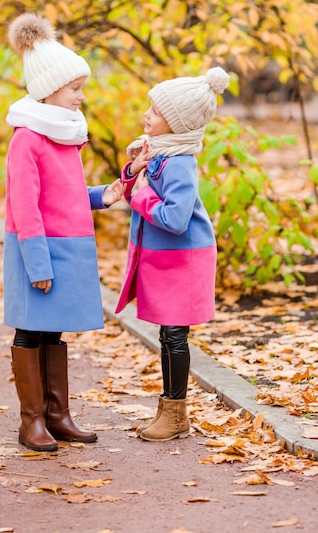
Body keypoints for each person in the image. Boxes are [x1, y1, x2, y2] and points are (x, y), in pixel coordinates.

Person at [4, 12, 125, 452]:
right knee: (30, 329)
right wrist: (37, 261)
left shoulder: (64, 135)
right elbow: (26, 205)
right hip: (36, 249)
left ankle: (58, 415)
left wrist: (101, 195)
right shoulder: (28, 138)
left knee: (53, 331)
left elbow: (65, 193)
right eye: (75, 89)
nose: (81, 97)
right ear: (50, 90)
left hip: (68, 245)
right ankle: (31, 420)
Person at [115, 66, 230, 441]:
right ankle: (169, 411)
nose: (146, 115)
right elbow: (144, 181)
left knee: (175, 336)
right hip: (167, 259)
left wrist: (141, 195)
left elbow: (175, 218)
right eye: (149, 107)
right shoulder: (163, 153)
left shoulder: (180, 162)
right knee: (168, 334)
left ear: (177, 124)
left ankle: (176, 412)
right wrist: (136, 172)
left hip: (185, 259)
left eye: (156, 112)